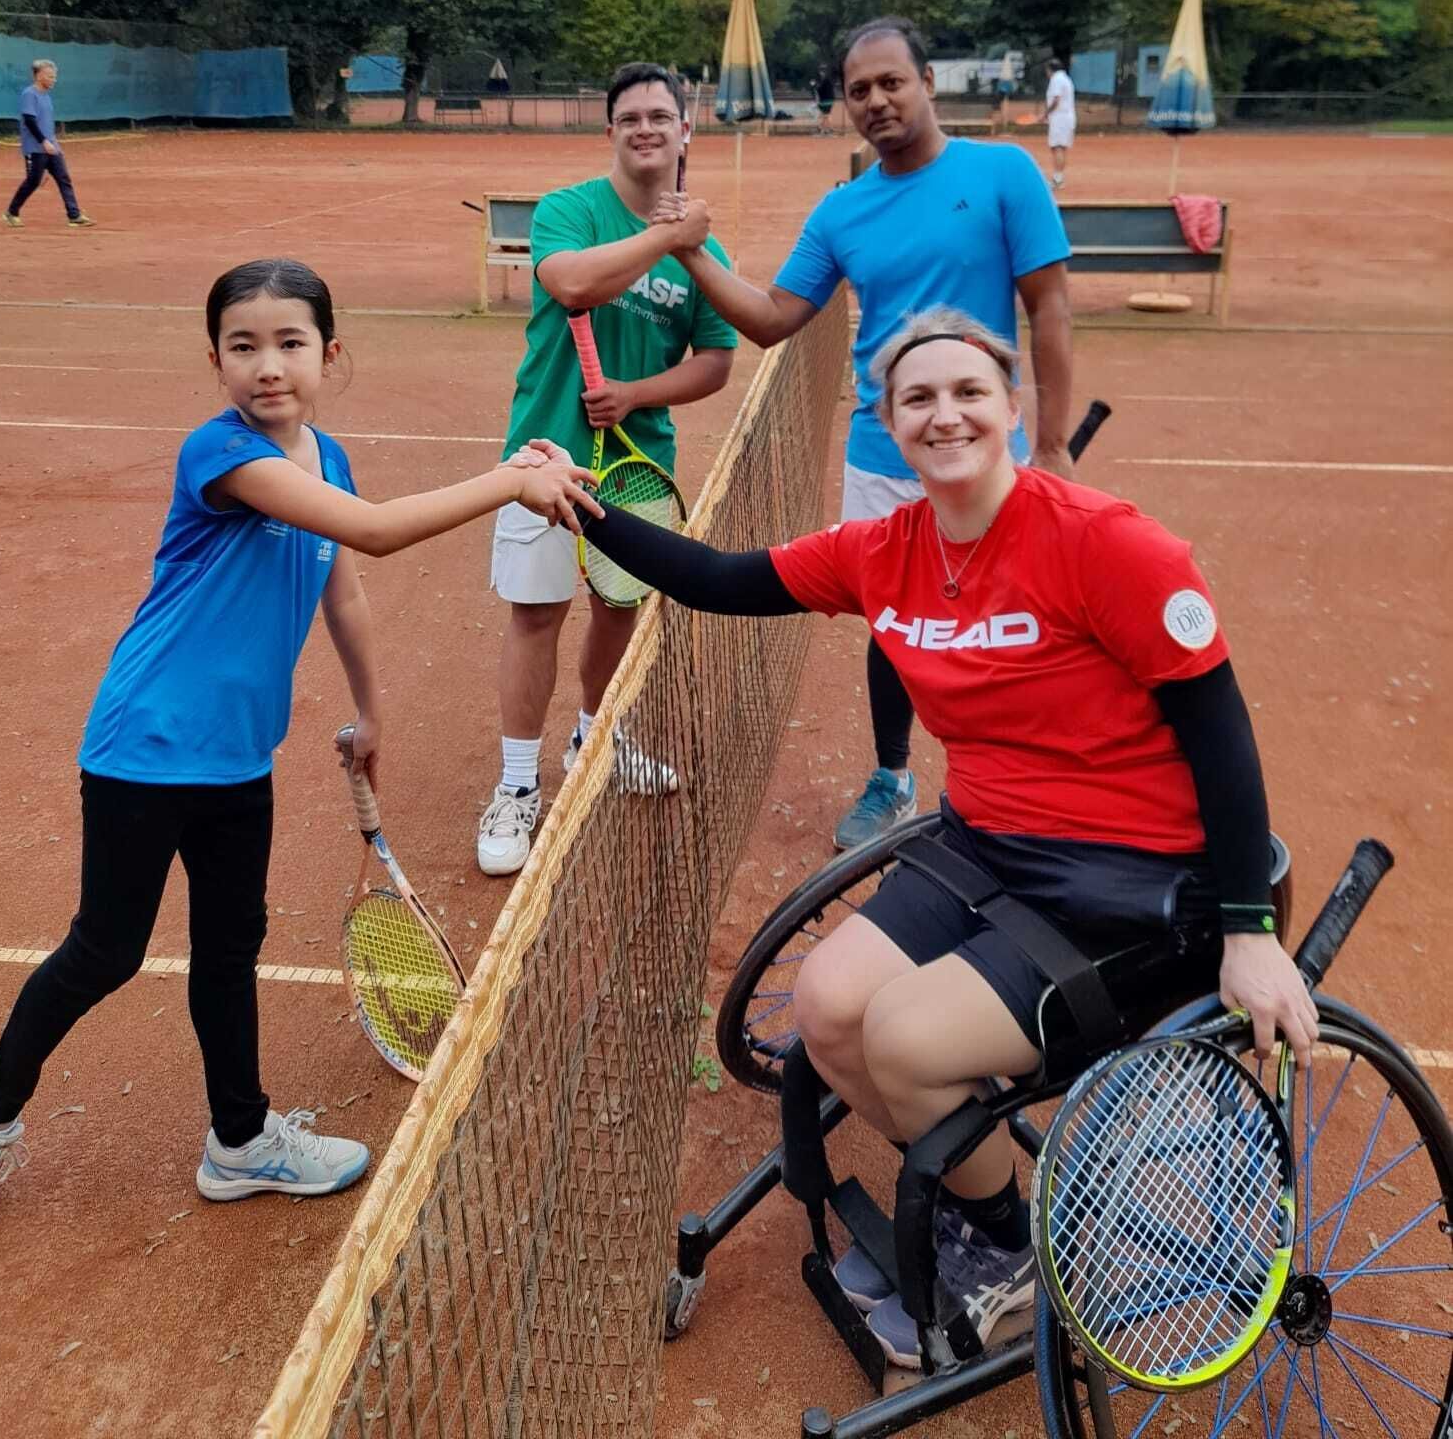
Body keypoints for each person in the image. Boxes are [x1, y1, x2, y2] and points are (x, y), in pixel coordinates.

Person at [538, 305, 1316, 1369]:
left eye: (967, 392)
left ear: (1008, 409)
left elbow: (1219, 728)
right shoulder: (882, 550)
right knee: (822, 1006)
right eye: (918, 398)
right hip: (987, 847)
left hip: (1132, 881)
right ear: (887, 424)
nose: (944, 413)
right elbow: (721, 580)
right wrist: (581, 508)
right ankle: (977, 1198)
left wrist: (1249, 928)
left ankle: (1005, 1251)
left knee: (901, 1037)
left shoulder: (1109, 543)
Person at [0, 258, 596, 1227]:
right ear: (213, 358)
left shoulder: (326, 456)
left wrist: (374, 710)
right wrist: (515, 477)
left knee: (229, 947)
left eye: (290, 342)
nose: (267, 365)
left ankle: (241, 1140)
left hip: (239, 757)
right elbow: (375, 534)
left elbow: (343, 579)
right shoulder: (221, 456)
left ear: (330, 354)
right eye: (243, 345)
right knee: (107, 948)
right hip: (145, 746)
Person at [662, 16, 1073, 852]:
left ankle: (1013, 785)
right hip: (884, 455)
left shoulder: (1004, 173)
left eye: (892, 82)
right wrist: (693, 252)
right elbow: (775, 318)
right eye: (859, 91)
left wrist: (1056, 447)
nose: (877, 101)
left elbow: (1050, 310)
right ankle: (892, 775)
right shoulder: (842, 211)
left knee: (1012, 622)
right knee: (897, 627)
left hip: (991, 452)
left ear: (927, 81)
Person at [478, 63, 738, 879]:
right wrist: (672, 234)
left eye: (662, 115)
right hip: (544, 455)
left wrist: (634, 395)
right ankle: (518, 787)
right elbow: (568, 281)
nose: (646, 127)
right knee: (536, 613)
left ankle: (598, 738)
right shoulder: (571, 211)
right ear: (612, 132)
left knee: (618, 609)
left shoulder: (707, 253)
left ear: (684, 131)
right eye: (630, 117)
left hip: (635, 464)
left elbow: (716, 360)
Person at [1, 60, 95, 230]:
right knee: (33, 182)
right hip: (35, 148)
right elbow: (30, 121)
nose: (54, 80)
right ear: (39, 76)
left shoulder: (46, 96)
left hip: (51, 147)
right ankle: (12, 212)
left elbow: (46, 123)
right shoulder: (29, 94)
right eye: (50, 76)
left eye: (54, 76)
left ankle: (74, 215)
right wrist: (43, 141)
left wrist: (54, 143)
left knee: (63, 178)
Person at [1044, 57, 1076, 188]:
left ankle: (1058, 180)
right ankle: (1059, 177)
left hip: (1060, 118)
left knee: (1057, 147)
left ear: (1050, 69)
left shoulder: (1056, 79)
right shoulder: (1065, 78)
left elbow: (1056, 100)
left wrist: (1046, 113)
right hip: (1066, 118)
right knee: (1060, 148)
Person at [814, 63, 836, 134]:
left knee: (825, 115)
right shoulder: (827, 79)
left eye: (821, 71)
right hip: (829, 99)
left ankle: (826, 129)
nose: (820, 73)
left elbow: (820, 89)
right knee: (825, 114)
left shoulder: (825, 80)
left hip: (826, 100)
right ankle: (824, 128)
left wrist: (814, 86)